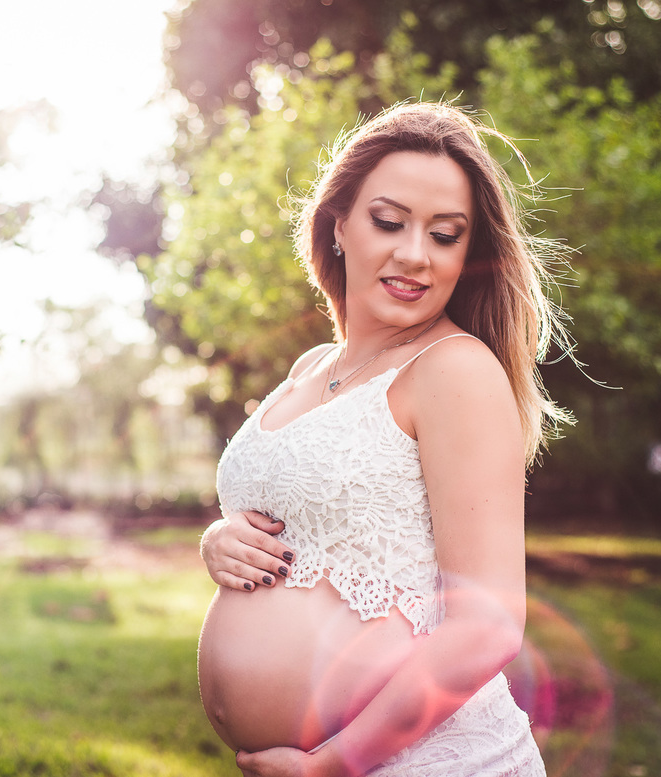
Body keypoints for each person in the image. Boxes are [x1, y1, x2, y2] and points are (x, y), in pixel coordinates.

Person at [195, 102, 571, 777]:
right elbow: (303, 521)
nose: (414, 254)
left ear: (469, 253)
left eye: (445, 234)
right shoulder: (312, 367)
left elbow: (487, 625)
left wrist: (335, 763)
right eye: (389, 222)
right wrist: (221, 540)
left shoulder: (454, 371)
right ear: (338, 223)